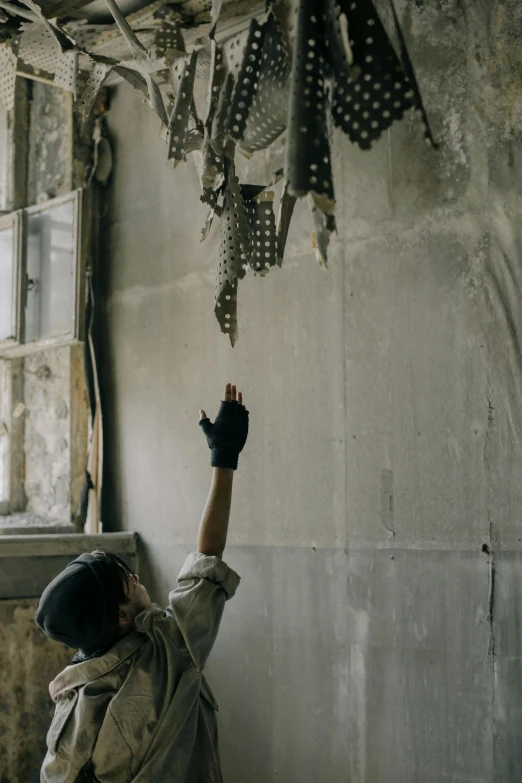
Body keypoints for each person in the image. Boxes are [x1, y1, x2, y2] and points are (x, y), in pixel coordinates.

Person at [35, 383, 249, 783]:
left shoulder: (74, 703)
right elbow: (208, 555)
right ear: (120, 615)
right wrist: (224, 459)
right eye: (126, 581)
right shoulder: (169, 649)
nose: (136, 579)